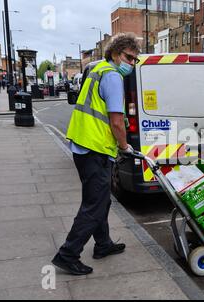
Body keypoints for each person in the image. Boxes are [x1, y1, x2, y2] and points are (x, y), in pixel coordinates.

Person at [51, 33, 141, 275]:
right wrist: (124, 146)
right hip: (95, 148)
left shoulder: (98, 69)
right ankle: (68, 254)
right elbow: (116, 121)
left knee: (100, 200)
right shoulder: (112, 76)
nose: (131, 64)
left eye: (135, 60)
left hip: (83, 146)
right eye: (128, 57)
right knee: (95, 204)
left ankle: (103, 244)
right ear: (114, 53)